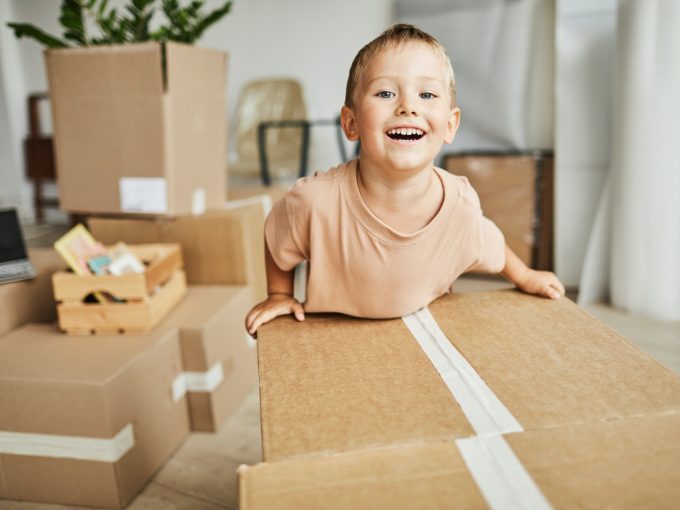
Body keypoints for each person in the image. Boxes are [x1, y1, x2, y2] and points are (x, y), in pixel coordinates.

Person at [246, 23, 564, 336]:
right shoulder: (316, 201)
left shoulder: (460, 205)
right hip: (333, 338)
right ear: (351, 122)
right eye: (385, 92)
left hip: (418, 331)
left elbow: (489, 242)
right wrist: (279, 294)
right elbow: (277, 232)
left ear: (450, 125)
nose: (408, 107)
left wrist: (524, 276)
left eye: (426, 94)